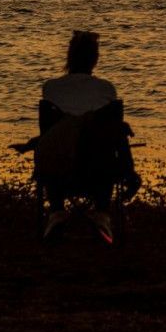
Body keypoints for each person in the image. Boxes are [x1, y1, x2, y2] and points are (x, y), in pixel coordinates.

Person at [38, 30, 121, 241]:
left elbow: (48, 133)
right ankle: (102, 211)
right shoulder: (106, 90)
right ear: (95, 59)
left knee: (57, 145)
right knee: (106, 144)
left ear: (69, 57)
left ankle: (57, 210)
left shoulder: (50, 89)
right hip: (97, 170)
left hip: (58, 169)